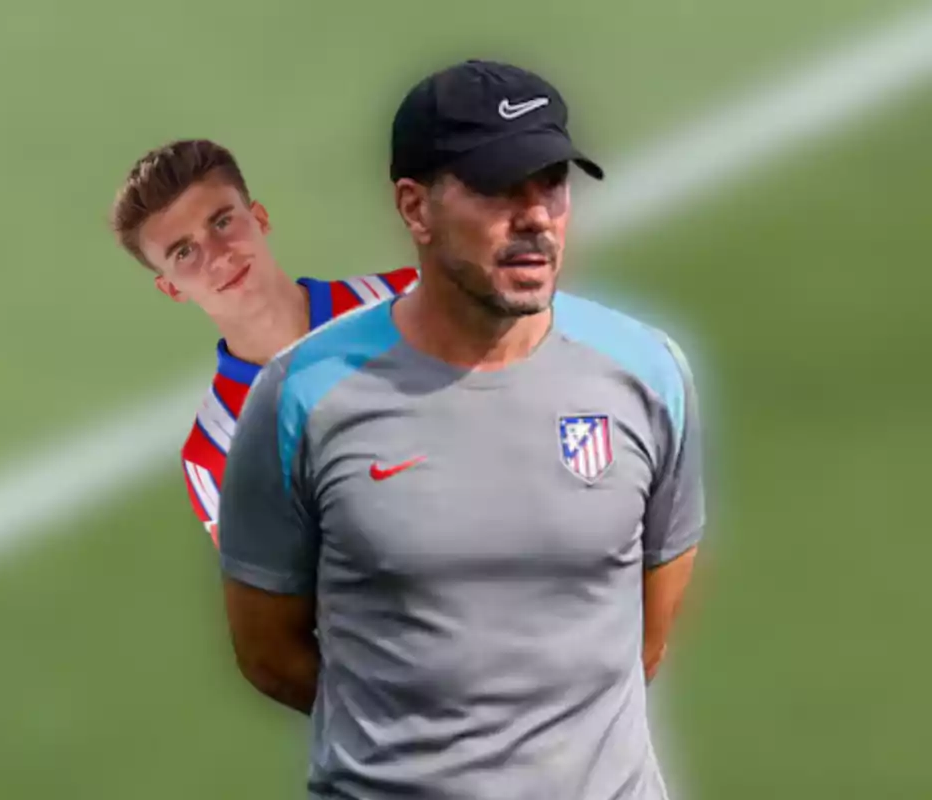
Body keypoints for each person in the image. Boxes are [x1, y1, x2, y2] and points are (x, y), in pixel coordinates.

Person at [218, 59, 705, 799]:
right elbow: (267, 652)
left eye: (551, 183)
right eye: (499, 188)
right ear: (415, 208)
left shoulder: (646, 373)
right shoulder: (304, 396)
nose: (536, 215)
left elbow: (648, 632)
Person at [108, 139, 419, 545]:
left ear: (260, 218)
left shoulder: (412, 298)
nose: (218, 256)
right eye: (185, 252)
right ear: (171, 288)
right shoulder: (212, 454)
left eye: (221, 223)